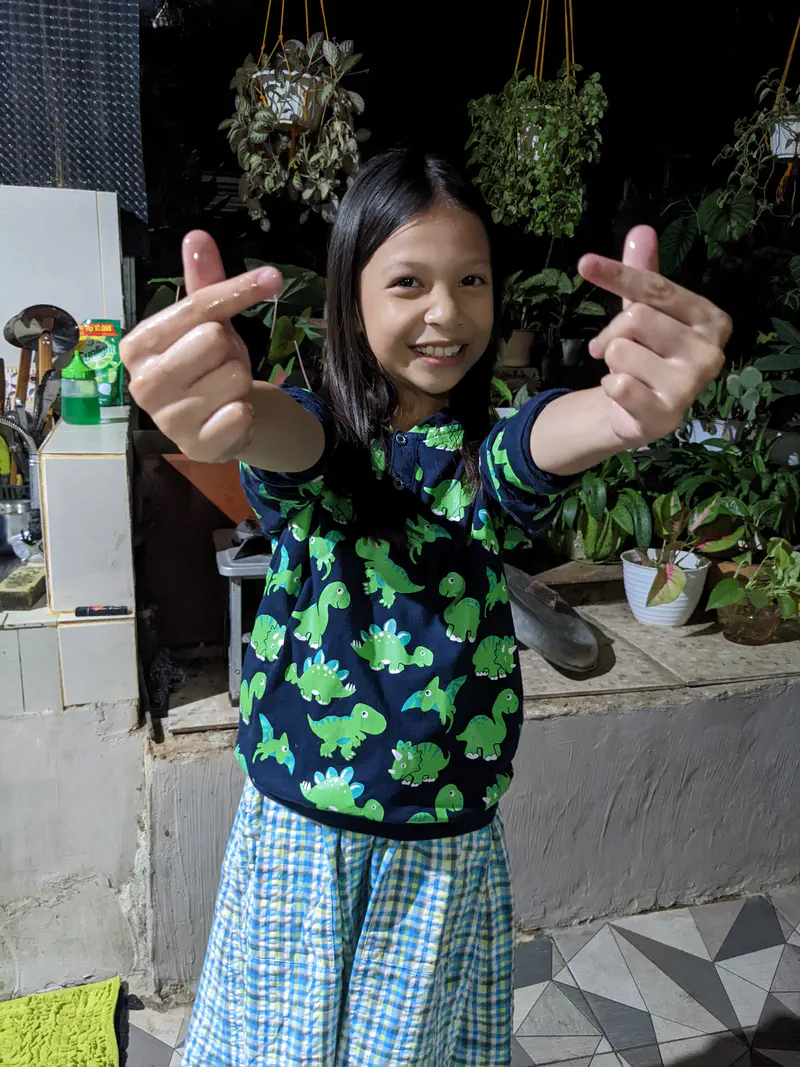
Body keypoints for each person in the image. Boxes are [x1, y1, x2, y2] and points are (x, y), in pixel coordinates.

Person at [121, 149, 730, 1067]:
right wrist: (238, 412)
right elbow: (297, 442)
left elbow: (543, 441)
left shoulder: (485, 460)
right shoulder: (318, 442)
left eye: (471, 280)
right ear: (350, 296)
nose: (447, 311)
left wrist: (620, 418)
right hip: (301, 839)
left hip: (438, 852)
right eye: (410, 281)